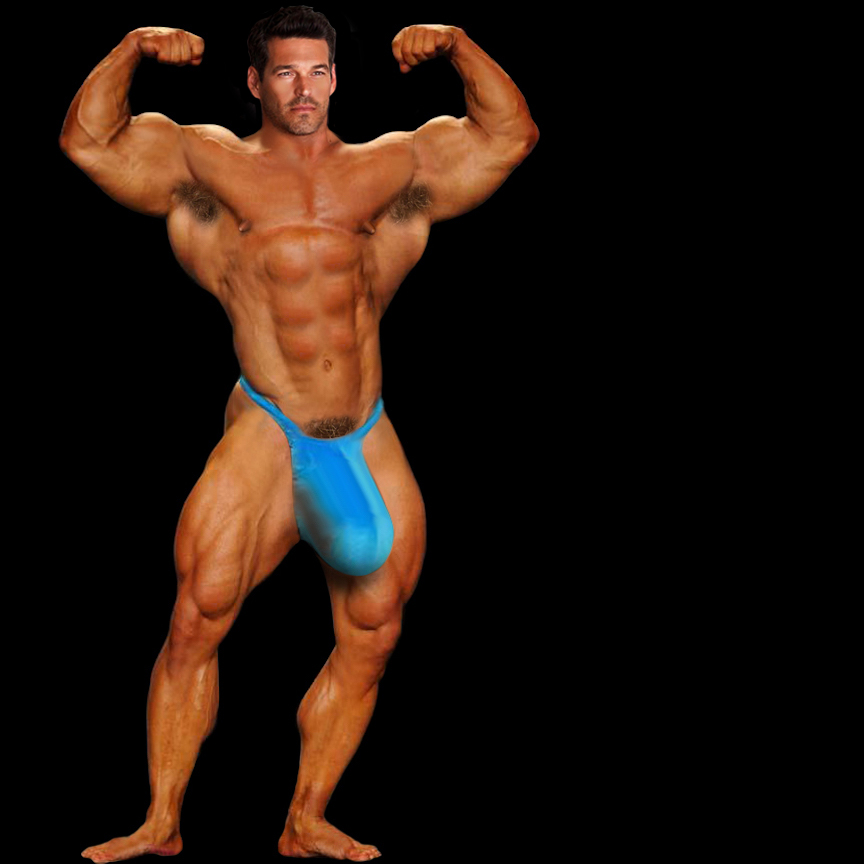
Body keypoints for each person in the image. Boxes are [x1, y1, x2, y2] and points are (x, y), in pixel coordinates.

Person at [61, 6, 538, 862]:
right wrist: (131, 49)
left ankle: (305, 818)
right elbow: (90, 143)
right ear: (256, 82)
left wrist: (460, 45)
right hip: (270, 427)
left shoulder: (390, 168)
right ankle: (161, 821)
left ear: (335, 79)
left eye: (317, 71)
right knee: (198, 616)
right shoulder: (210, 165)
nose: (303, 88)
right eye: (285, 72)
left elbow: (509, 138)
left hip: (364, 431)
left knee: (375, 633)